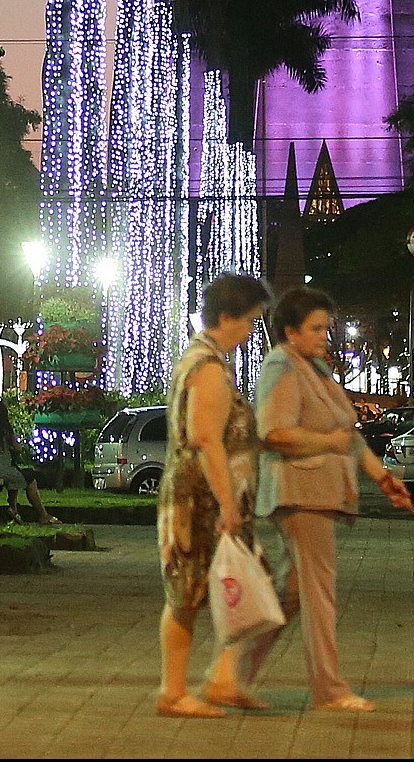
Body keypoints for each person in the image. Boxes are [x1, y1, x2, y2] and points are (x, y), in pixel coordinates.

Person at [236, 285, 413, 712]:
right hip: (301, 496)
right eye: (315, 328)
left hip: (320, 494)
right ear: (290, 331)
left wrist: (382, 476)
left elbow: (348, 436)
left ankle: (232, 675)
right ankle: (329, 689)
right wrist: (326, 442)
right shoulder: (281, 366)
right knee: (319, 595)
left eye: (326, 327)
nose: (324, 336)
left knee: (292, 595)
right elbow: (274, 433)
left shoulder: (315, 369)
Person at [156, 272, 272, 718]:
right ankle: (174, 692)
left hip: (206, 495)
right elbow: (207, 438)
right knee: (186, 592)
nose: (250, 332)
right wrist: (227, 505)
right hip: (199, 500)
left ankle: (224, 678)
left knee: (242, 584)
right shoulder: (207, 368)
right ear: (226, 318)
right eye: (248, 322)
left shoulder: (204, 360)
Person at [0, 401, 56, 526]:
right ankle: (43, 515)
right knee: (29, 479)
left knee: (15, 474)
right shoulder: (5, 429)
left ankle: (13, 510)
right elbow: (17, 448)